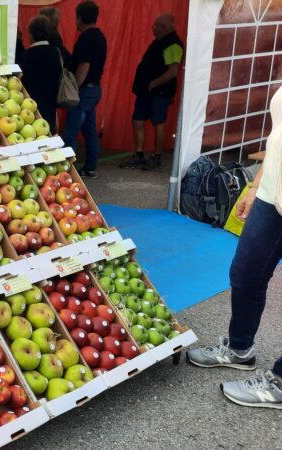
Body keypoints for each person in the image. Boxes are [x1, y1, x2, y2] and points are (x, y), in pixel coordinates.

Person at [187, 85, 282, 409]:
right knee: (246, 273)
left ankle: (280, 383)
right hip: (272, 195)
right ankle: (240, 350)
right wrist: (256, 185)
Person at [122, 14, 184, 171]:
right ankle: (139, 154)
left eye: (155, 25)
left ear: (163, 28)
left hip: (160, 91)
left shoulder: (173, 45)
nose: (152, 27)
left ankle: (157, 157)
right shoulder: (159, 42)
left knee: (159, 123)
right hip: (146, 91)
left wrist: (153, 83)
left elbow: (173, 72)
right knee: (138, 120)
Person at [61, 1, 107, 178]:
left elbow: (84, 66)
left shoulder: (87, 38)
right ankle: (90, 168)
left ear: (80, 18)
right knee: (89, 130)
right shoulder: (100, 36)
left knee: (71, 131)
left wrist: (73, 88)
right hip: (94, 89)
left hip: (84, 91)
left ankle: (68, 173)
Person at [18, 16, 63, 133]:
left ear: (31, 34)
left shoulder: (25, 56)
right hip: (50, 107)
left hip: (29, 110)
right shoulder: (56, 53)